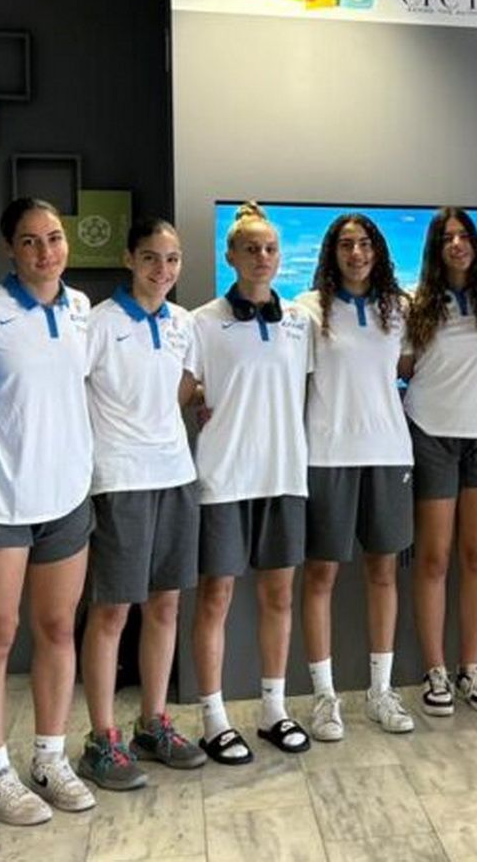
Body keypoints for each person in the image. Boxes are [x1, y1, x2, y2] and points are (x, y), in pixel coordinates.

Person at [0, 198, 96, 825]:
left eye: (55, 237)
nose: (46, 251)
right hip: (2, 497)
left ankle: (49, 758)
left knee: (59, 629)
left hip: (66, 495)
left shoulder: (81, 308)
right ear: (9, 248)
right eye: (31, 241)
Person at [76, 218, 205, 788]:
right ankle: (102, 738)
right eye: (151, 257)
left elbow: (181, 390)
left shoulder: (183, 323)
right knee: (111, 611)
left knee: (166, 605)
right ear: (129, 258)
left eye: (172, 259)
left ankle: (153, 723)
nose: (163, 269)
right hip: (120, 479)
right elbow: (71, 391)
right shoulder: (98, 323)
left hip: (176, 474)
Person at [189, 202, 316, 759]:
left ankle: (273, 710)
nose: (262, 257)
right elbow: (183, 389)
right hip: (223, 476)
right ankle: (213, 717)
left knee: (279, 595)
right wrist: (202, 399)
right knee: (215, 597)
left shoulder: (299, 323)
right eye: (251, 249)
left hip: (284, 474)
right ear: (231, 256)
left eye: (270, 249)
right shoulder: (202, 321)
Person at [294, 214, 418, 738]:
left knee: (383, 572)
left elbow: (412, 368)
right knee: (320, 576)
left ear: (378, 250)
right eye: (346, 244)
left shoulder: (400, 309)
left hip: (389, 452)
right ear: (333, 252)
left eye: (365, 243)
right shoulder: (307, 309)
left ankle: (379, 691)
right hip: (327, 455)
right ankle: (324, 698)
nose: (356, 253)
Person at [402, 206, 477, 716]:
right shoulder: (413, 300)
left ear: (475, 243)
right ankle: (435, 670)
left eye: (464, 235)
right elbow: (403, 366)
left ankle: (470, 668)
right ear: (435, 248)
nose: (457, 244)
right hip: (432, 432)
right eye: (446, 237)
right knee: (434, 557)